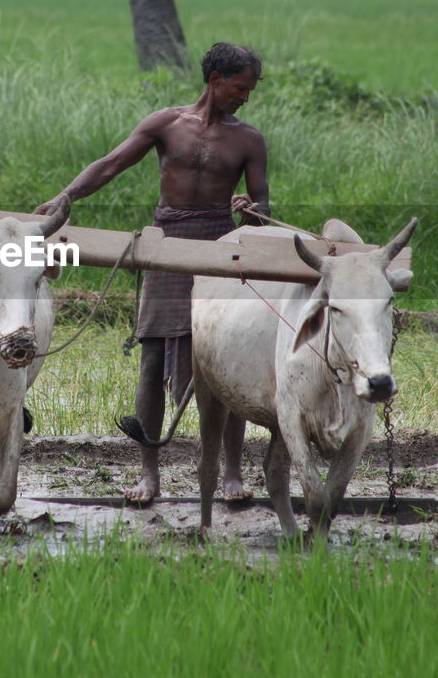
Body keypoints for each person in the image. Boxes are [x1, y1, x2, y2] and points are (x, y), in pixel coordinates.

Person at [35, 42, 270, 503]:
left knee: (222, 358)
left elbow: (262, 204)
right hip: (167, 243)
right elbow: (110, 164)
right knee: (153, 361)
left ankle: (232, 474)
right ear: (215, 80)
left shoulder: (249, 140)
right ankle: (149, 474)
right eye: (240, 88)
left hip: (219, 247)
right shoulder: (166, 123)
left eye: (250, 91)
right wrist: (65, 199)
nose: (245, 98)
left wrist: (251, 210)